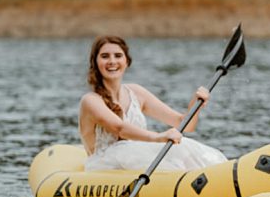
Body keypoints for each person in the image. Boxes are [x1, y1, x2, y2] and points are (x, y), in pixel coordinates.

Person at [79, 35, 227, 171]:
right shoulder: (91, 100)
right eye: (105, 56)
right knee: (142, 152)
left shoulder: (136, 93)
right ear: (95, 63)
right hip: (104, 166)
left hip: (135, 158)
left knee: (184, 145)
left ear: (126, 61)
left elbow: (185, 124)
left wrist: (195, 105)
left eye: (118, 56)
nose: (112, 61)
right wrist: (158, 138)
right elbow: (119, 128)